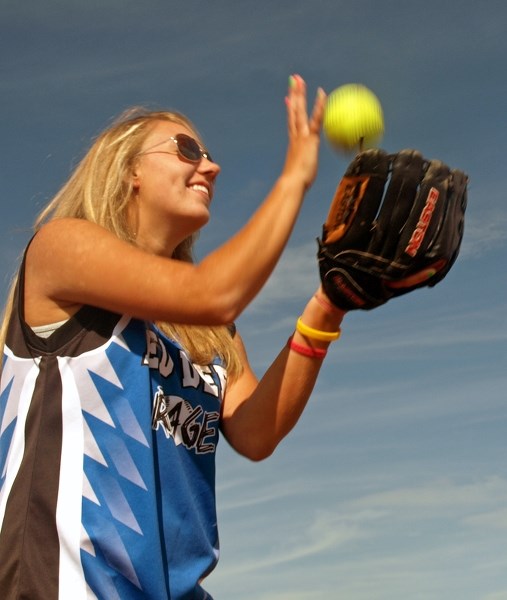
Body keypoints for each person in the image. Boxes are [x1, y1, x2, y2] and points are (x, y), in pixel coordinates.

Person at [0, 75, 345, 600]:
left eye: (207, 154)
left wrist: (329, 304)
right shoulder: (60, 247)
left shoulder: (207, 328)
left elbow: (255, 433)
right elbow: (215, 291)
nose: (210, 166)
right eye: (187, 149)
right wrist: (295, 176)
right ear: (129, 170)